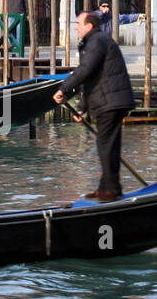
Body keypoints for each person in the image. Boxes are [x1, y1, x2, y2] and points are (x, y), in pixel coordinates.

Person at [53, 11, 136, 203]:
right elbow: (91, 78)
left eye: (78, 23)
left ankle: (111, 190)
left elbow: (85, 70)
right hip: (109, 99)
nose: (75, 27)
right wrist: (82, 107)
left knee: (106, 144)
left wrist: (63, 88)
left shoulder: (97, 41)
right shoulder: (95, 41)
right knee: (107, 144)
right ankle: (106, 188)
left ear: (89, 26)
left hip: (112, 100)